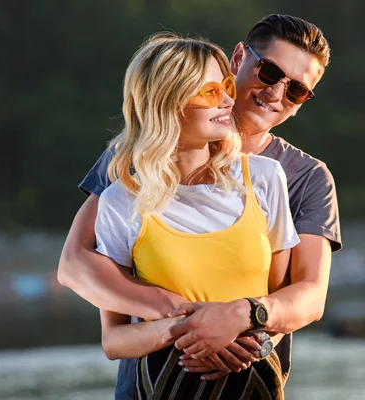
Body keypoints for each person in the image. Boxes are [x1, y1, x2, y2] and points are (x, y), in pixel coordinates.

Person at [58, 14, 342, 399]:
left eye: (297, 91)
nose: (277, 93)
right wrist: (186, 320)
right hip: (152, 384)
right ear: (239, 57)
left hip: (248, 380)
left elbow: (307, 294)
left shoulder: (300, 176)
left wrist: (242, 326)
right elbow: (76, 263)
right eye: (270, 72)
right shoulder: (132, 159)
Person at [95, 32, 299, 399]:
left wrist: (245, 337)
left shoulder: (265, 179)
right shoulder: (121, 201)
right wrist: (194, 333)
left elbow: (280, 301)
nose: (226, 100)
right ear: (167, 102)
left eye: (225, 86)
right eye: (209, 92)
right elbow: (114, 340)